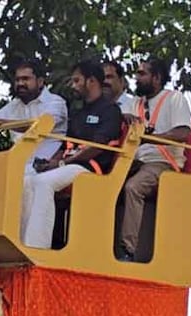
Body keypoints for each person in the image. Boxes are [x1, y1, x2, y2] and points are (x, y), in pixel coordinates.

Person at [21, 59, 123, 249]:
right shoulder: (79, 113)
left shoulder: (110, 111)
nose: (73, 85)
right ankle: (22, 243)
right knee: (27, 181)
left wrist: (61, 164)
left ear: (91, 81)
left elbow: (97, 146)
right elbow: (65, 145)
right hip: (70, 165)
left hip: (91, 168)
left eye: (77, 81)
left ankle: (36, 248)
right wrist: (52, 162)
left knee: (43, 182)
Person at [116, 57, 191, 262]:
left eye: (142, 74)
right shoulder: (136, 102)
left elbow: (184, 131)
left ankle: (128, 250)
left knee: (134, 187)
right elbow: (125, 119)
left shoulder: (174, 98)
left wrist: (152, 139)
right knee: (101, 181)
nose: (136, 78)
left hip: (163, 162)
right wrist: (125, 119)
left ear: (157, 78)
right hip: (135, 160)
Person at [0, 58, 68, 174]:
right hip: (19, 164)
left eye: (25, 79)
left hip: (47, 167)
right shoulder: (15, 105)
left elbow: (39, 127)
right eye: (17, 80)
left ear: (40, 82)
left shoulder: (56, 102)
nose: (20, 84)